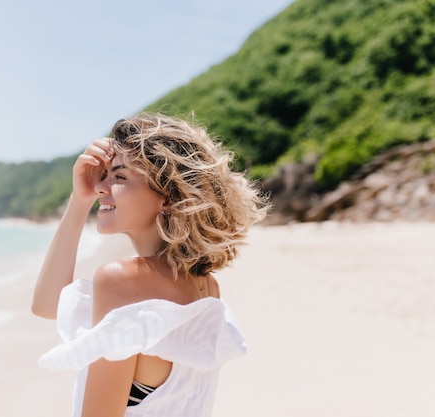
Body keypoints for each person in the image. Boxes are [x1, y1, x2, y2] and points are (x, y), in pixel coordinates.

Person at [31, 113, 268, 417]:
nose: (102, 186)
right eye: (104, 174)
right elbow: (50, 305)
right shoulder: (205, 285)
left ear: (167, 197)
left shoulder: (122, 281)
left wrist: (78, 203)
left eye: (119, 176)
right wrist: (80, 198)